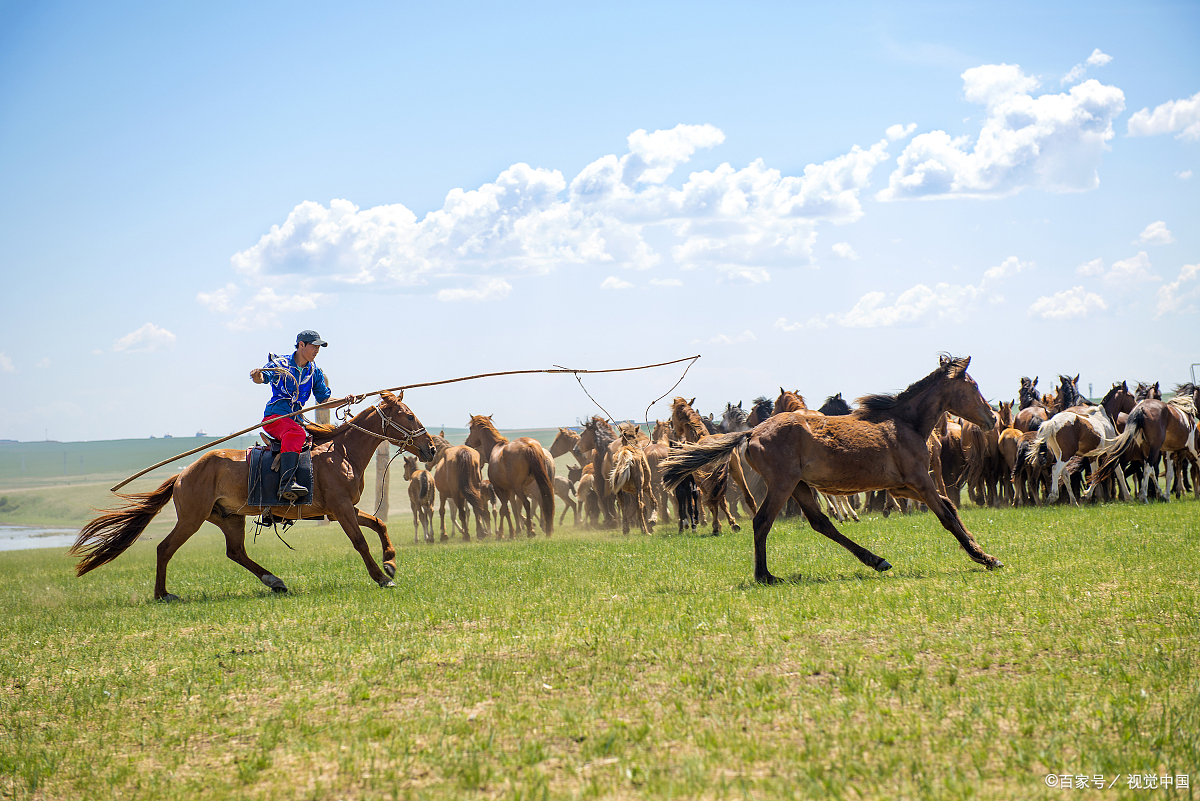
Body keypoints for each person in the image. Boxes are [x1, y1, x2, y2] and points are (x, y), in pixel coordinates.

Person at [250, 330, 347, 502]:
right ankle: (286, 484)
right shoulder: (281, 364)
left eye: (319, 347)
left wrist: (345, 400)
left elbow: (324, 400)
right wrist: (257, 376)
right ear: (301, 345)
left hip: (296, 420)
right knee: (296, 433)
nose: (317, 350)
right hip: (275, 418)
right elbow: (262, 378)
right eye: (314, 346)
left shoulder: (315, 372)